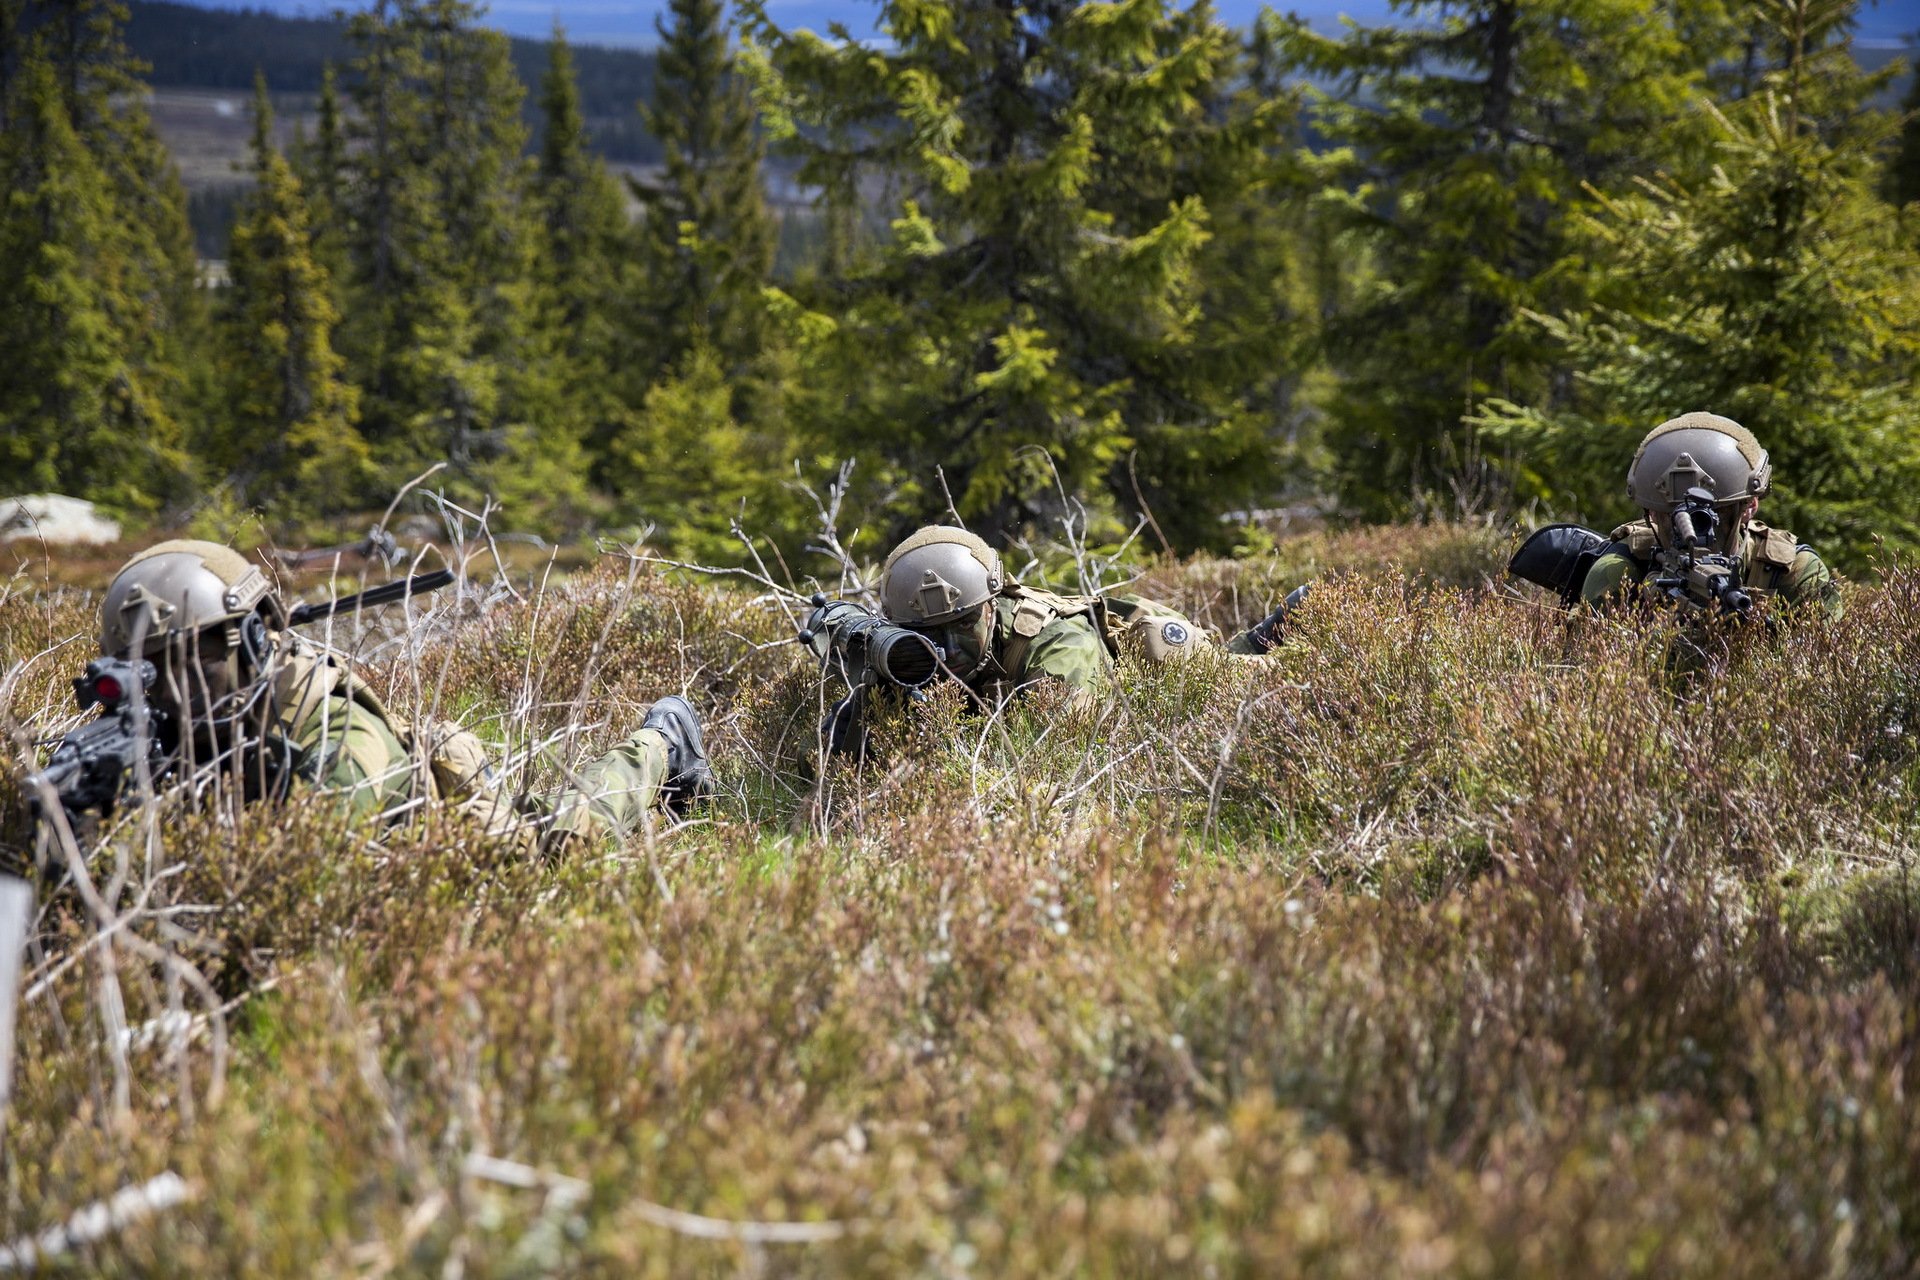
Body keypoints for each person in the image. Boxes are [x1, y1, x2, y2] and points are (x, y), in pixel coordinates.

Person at [80, 539, 711, 849]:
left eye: (191, 660)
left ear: (249, 640)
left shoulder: (338, 730)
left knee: (565, 831)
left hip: (458, 838)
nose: (170, 691)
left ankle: (663, 741)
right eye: (149, 671)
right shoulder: (166, 731)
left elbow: (313, 854)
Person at [822, 526, 1306, 753]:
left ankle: (1274, 634)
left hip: (1144, 650)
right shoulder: (910, 651)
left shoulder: (1055, 642)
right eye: (927, 635)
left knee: (1233, 679)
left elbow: (1064, 742)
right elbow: (824, 760)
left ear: (993, 604)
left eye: (962, 626)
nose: (947, 651)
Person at [1578, 413, 1840, 617]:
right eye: (1674, 517)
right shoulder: (1620, 570)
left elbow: (1826, 671)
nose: (1694, 532)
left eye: (1712, 516)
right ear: (1652, 514)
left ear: (1750, 506)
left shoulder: (1792, 570)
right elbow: (1584, 667)